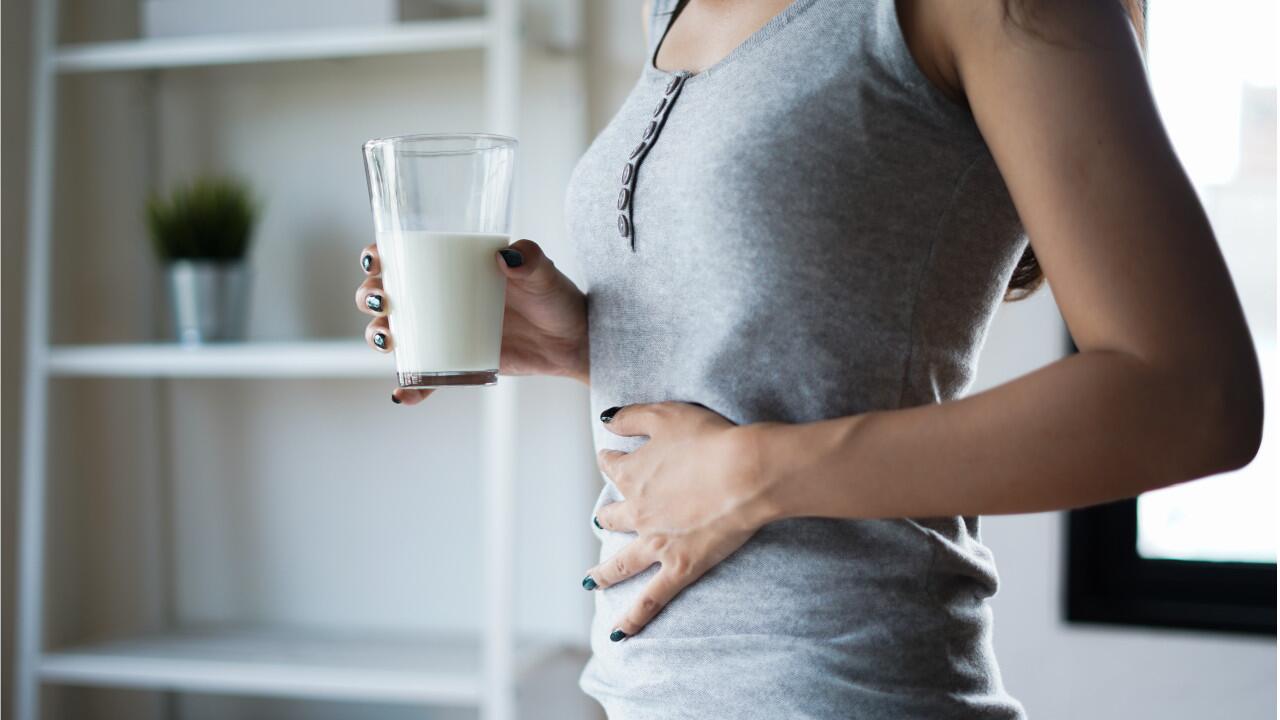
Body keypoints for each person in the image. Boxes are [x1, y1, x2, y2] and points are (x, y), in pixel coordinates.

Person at [355, 0, 1264, 716]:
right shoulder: (671, 10)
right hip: (640, 691)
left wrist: (756, 471)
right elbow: (788, 351)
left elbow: (1194, 396)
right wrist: (583, 344)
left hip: (848, 690)